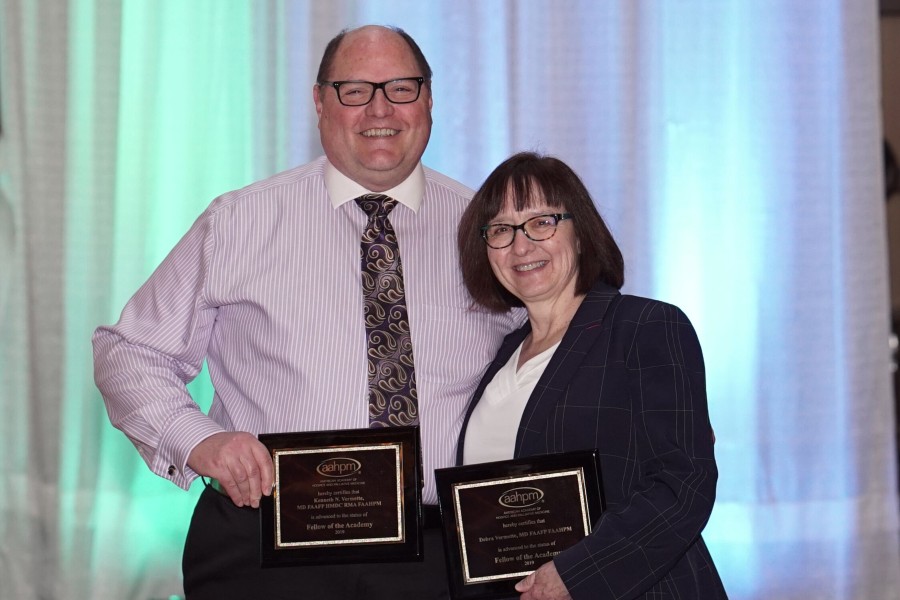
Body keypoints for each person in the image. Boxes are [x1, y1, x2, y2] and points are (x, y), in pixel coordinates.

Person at [92, 25, 522, 599]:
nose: (380, 109)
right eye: (354, 90)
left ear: (429, 101)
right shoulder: (239, 222)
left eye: (401, 87)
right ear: (319, 102)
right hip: (265, 548)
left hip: (441, 556)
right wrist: (199, 440)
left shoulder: (489, 230)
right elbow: (130, 351)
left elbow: (547, 364)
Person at [456, 151, 728, 600]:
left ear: (580, 233)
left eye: (542, 222)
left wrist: (575, 575)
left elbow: (684, 482)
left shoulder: (646, 327)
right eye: (501, 230)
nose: (521, 246)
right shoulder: (502, 353)